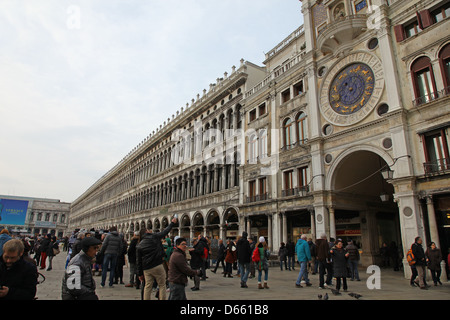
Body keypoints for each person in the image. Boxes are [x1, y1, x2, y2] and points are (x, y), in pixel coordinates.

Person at [137, 217, 177, 300]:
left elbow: (139, 261)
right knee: (162, 285)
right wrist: (172, 223)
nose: (150, 230)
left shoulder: (139, 245)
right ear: (146, 232)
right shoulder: (154, 236)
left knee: (148, 287)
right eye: (148, 230)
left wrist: (140, 273)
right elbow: (165, 232)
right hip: (157, 265)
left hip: (146, 268)